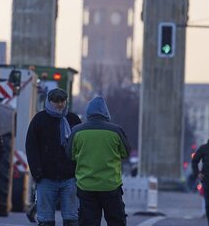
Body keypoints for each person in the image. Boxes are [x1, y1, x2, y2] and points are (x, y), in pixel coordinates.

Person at [68, 96, 131, 226]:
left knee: (88, 223)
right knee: (116, 221)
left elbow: (70, 155)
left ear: (88, 112)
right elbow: (126, 152)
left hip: (86, 186)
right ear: (106, 112)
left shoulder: (77, 131)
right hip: (110, 186)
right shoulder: (115, 130)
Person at [25, 88, 83, 226]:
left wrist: (78, 172)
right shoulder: (39, 120)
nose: (60, 104)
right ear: (49, 102)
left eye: (62, 101)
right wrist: (37, 172)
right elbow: (31, 147)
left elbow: (81, 147)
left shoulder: (73, 119)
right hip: (45, 178)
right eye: (56, 101)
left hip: (70, 178)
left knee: (72, 218)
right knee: (45, 220)